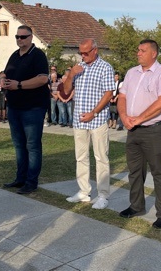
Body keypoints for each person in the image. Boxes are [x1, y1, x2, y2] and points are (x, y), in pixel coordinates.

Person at [117, 39, 161, 229]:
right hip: (133, 129)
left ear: (153, 53)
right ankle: (136, 206)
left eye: (142, 50)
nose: (138, 53)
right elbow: (122, 96)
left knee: (158, 171)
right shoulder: (131, 73)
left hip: (155, 129)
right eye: (138, 50)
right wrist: (124, 117)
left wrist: (138, 119)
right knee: (135, 170)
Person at [64, 38, 115, 210]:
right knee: (81, 157)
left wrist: (94, 112)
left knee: (101, 158)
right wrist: (71, 75)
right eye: (81, 53)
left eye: (86, 53)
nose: (83, 56)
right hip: (79, 120)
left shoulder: (105, 67)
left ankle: (103, 195)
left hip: (97, 120)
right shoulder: (78, 67)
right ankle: (83, 191)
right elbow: (66, 90)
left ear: (95, 50)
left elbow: (108, 94)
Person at [2, 25, 50, 195]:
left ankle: (31, 182)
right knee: (19, 145)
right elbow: (5, 72)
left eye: (23, 37)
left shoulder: (38, 55)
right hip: (15, 106)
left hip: (33, 107)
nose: (19, 40)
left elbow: (43, 79)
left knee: (32, 145)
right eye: (17, 37)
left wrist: (19, 85)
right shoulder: (14, 55)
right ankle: (20, 178)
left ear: (31, 37)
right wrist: (2, 79)